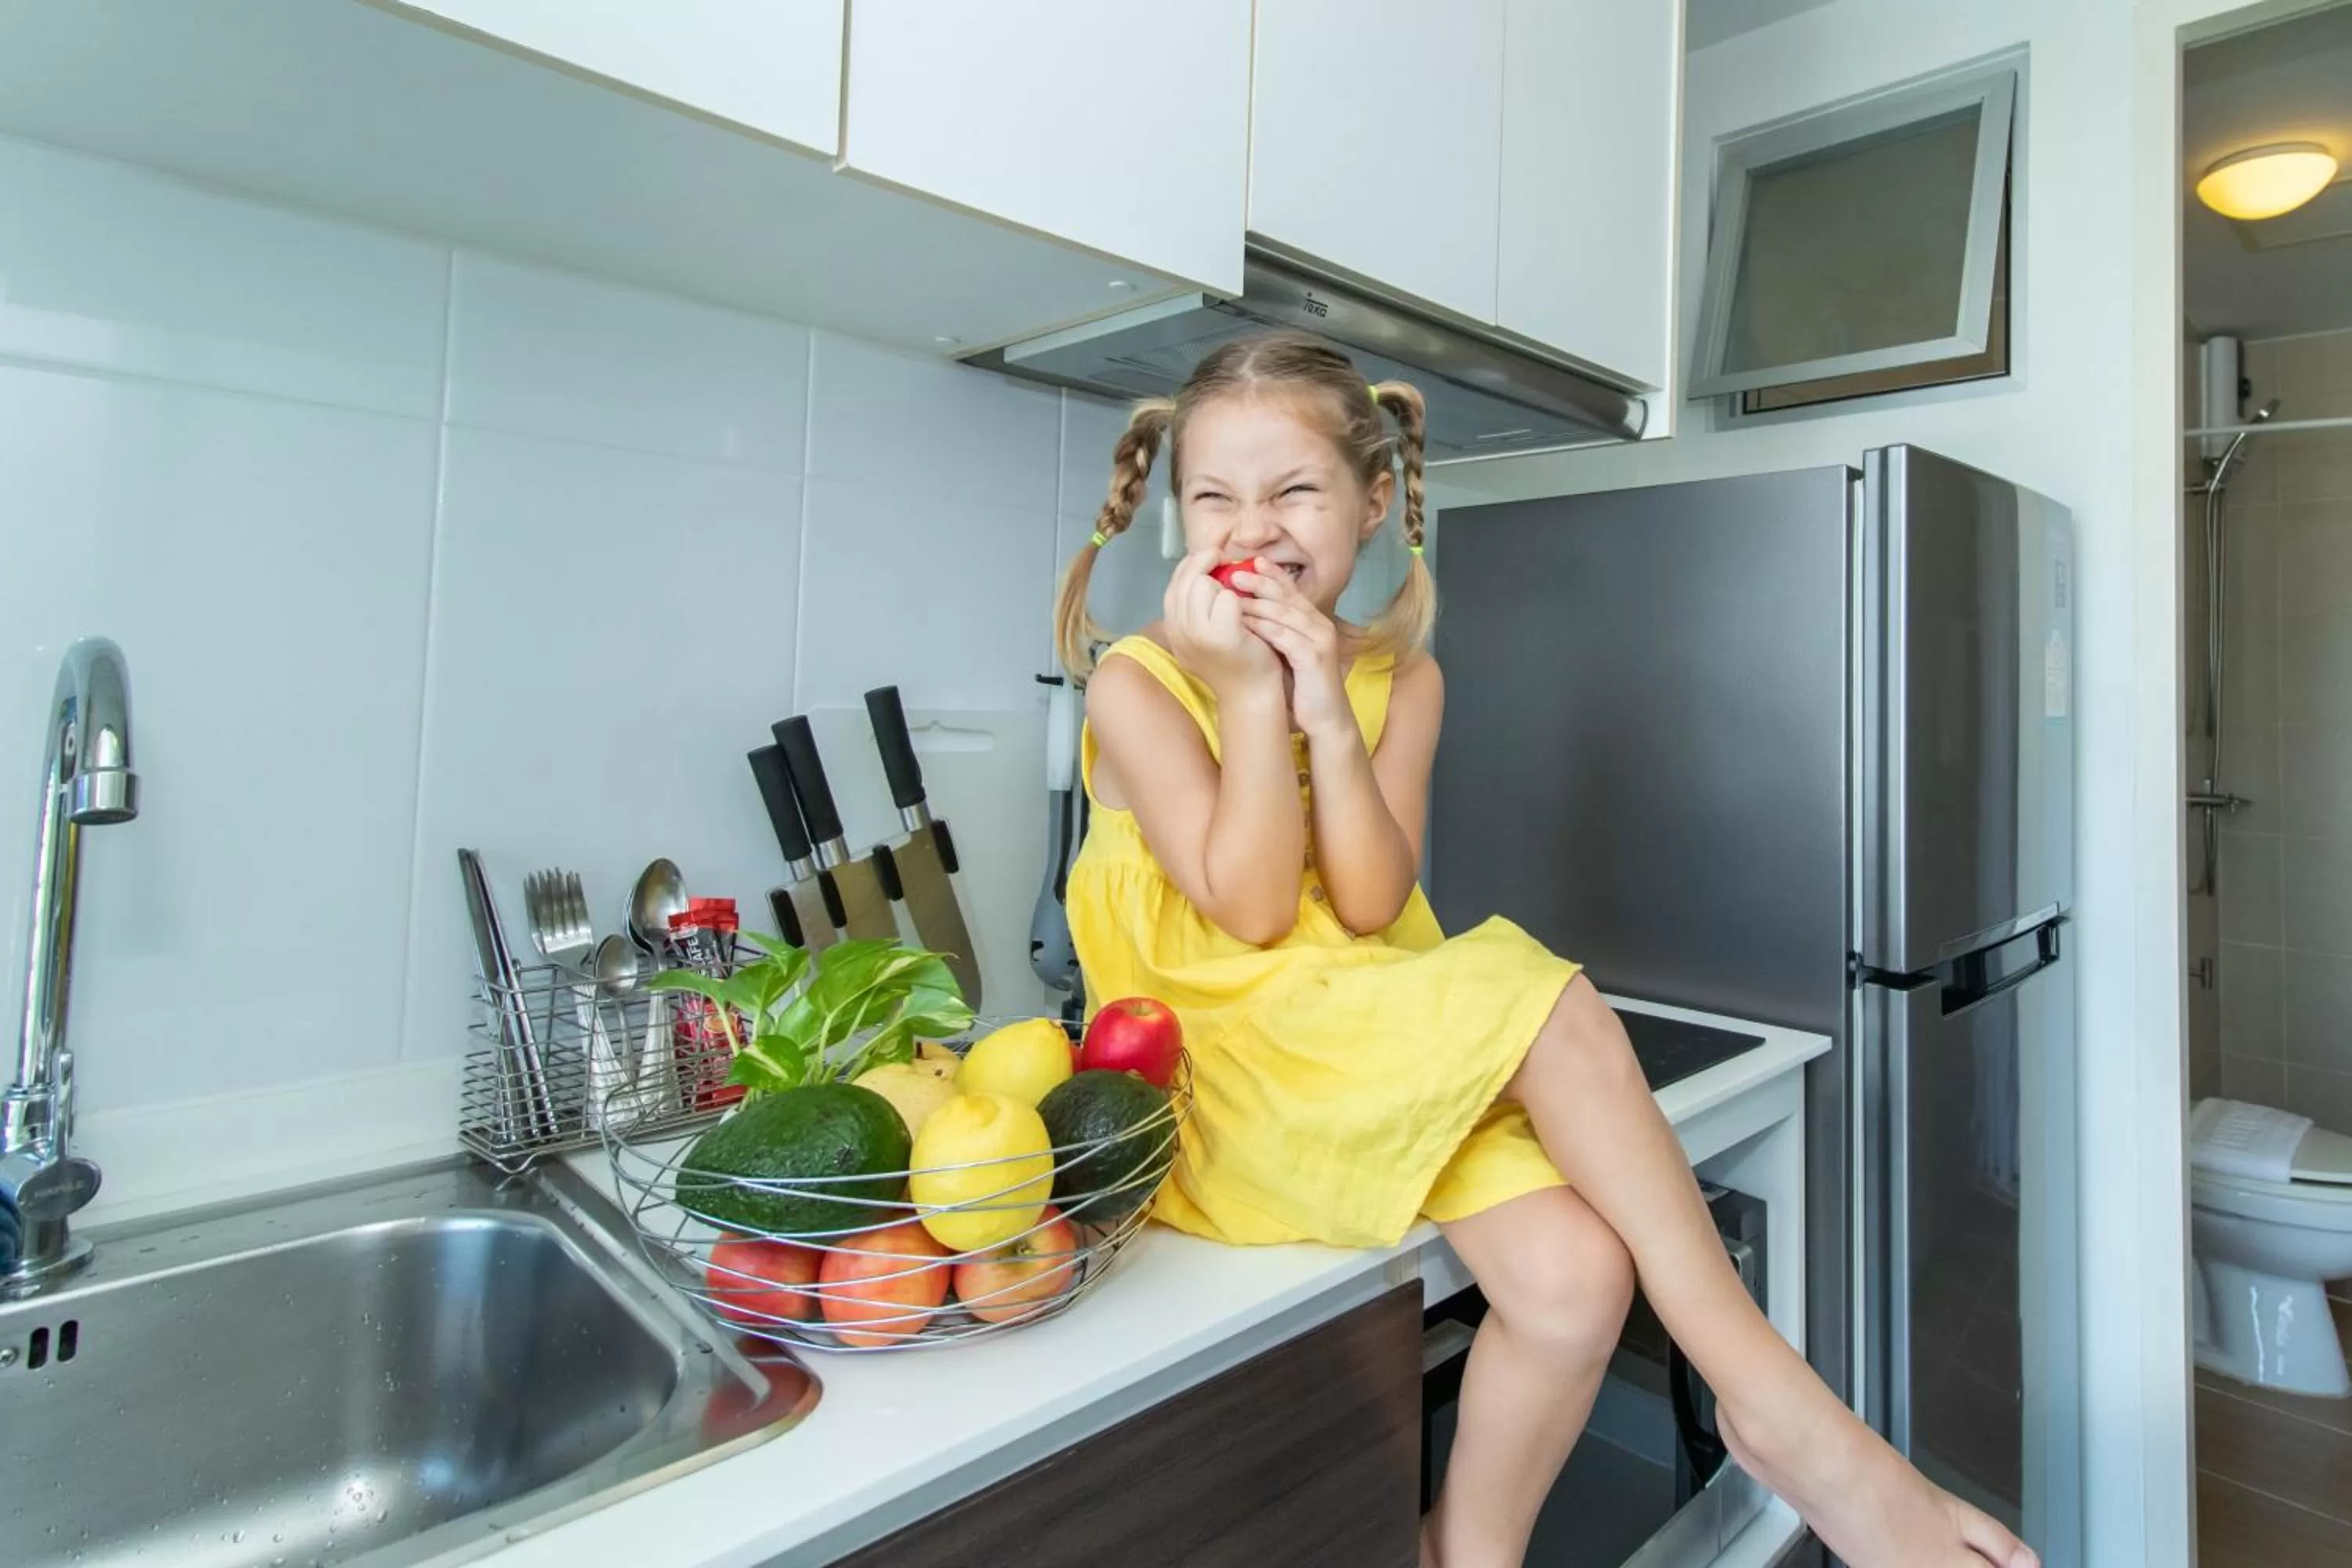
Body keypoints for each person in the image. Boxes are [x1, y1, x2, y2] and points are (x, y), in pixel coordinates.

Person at [1051, 329, 2039, 1568]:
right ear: (1180, 519)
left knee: (1575, 1282)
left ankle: (1465, 1554)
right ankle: (1790, 1418)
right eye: (1216, 499)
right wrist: (1251, 697)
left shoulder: (1403, 682)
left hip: (1356, 1032)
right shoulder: (1139, 684)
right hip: (1227, 1078)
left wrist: (1320, 714)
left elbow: (1368, 902)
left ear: (1368, 506)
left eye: (1294, 490)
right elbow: (1250, 910)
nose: (1253, 530)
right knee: (1548, 994)